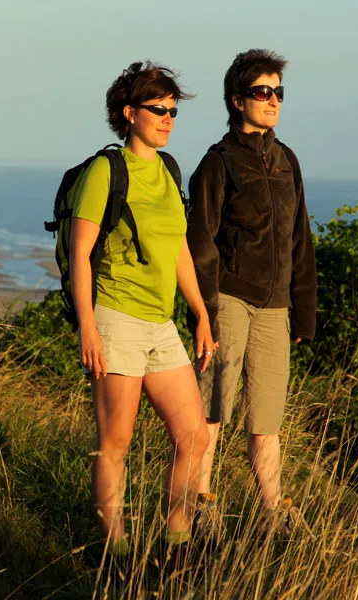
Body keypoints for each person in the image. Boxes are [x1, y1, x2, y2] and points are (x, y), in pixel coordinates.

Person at [70, 61, 215, 559]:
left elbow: (178, 250)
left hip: (161, 323)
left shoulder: (169, 171)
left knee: (194, 437)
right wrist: (87, 326)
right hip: (116, 318)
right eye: (158, 109)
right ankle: (115, 554)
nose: (168, 118)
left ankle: (175, 541)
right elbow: (80, 253)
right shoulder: (104, 172)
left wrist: (199, 313)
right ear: (129, 113)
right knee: (116, 442)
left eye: (173, 110)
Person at [186, 49, 317, 533]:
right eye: (263, 92)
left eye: (278, 92)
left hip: (276, 305)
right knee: (213, 407)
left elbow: (300, 237)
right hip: (229, 299)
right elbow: (199, 241)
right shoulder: (219, 162)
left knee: (267, 418)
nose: (274, 100)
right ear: (237, 100)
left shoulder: (287, 160)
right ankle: (201, 505)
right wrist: (204, 310)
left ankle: (273, 512)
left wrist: (304, 311)